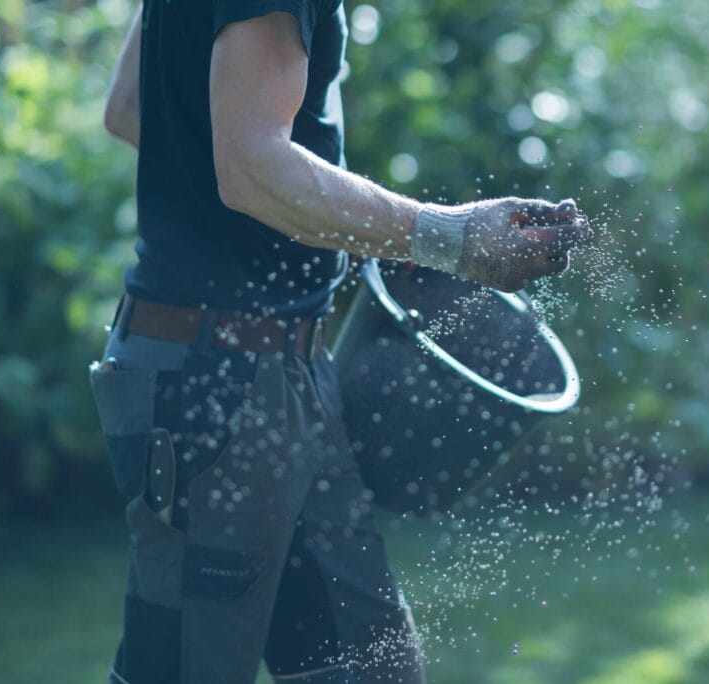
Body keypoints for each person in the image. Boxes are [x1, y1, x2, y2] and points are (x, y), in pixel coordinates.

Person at [94, 1, 589, 683]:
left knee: (370, 670)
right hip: (219, 383)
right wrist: (449, 237)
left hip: (271, 370)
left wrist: (328, 230)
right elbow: (249, 162)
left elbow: (132, 110)